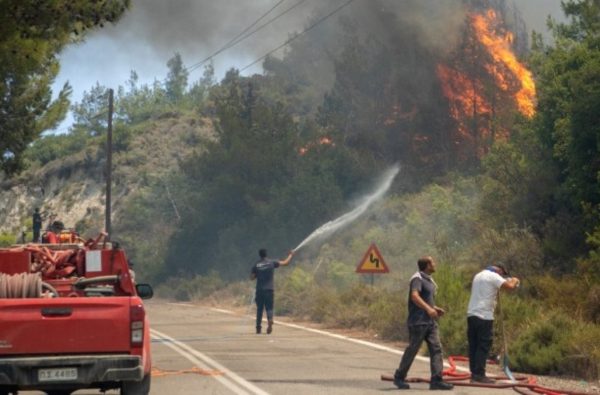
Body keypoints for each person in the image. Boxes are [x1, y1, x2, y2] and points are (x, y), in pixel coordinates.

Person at [393, 256, 454, 391]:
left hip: (430, 322)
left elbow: (425, 299)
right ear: (427, 265)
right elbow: (414, 296)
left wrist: (435, 308)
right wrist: (428, 309)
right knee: (413, 349)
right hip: (418, 322)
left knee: (436, 349)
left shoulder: (428, 280)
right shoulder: (417, 278)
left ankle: (436, 380)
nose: (435, 264)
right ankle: (399, 377)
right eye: (432, 262)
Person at [467, 264, 520, 383]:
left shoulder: (478, 275)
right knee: (483, 344)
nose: (501, 276)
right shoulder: (493, 276)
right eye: (502, 274)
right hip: (484, 315)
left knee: (474, 345)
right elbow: (511, 286)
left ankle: (474, 374)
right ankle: (479, 375)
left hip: (471, 314)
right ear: (499, 270)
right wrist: (515, 279)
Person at [250, 249, 293, 334]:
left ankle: (258, 328)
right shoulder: (271, 262)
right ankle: (270, 320)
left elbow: (252, 277)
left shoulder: (256, 264)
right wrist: (291, 255)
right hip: (269, 289)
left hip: (260, 290)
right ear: (266, 254)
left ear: (260, 255)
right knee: (269, 307)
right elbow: (285, 263)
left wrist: (257, 275)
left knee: (260, 309)